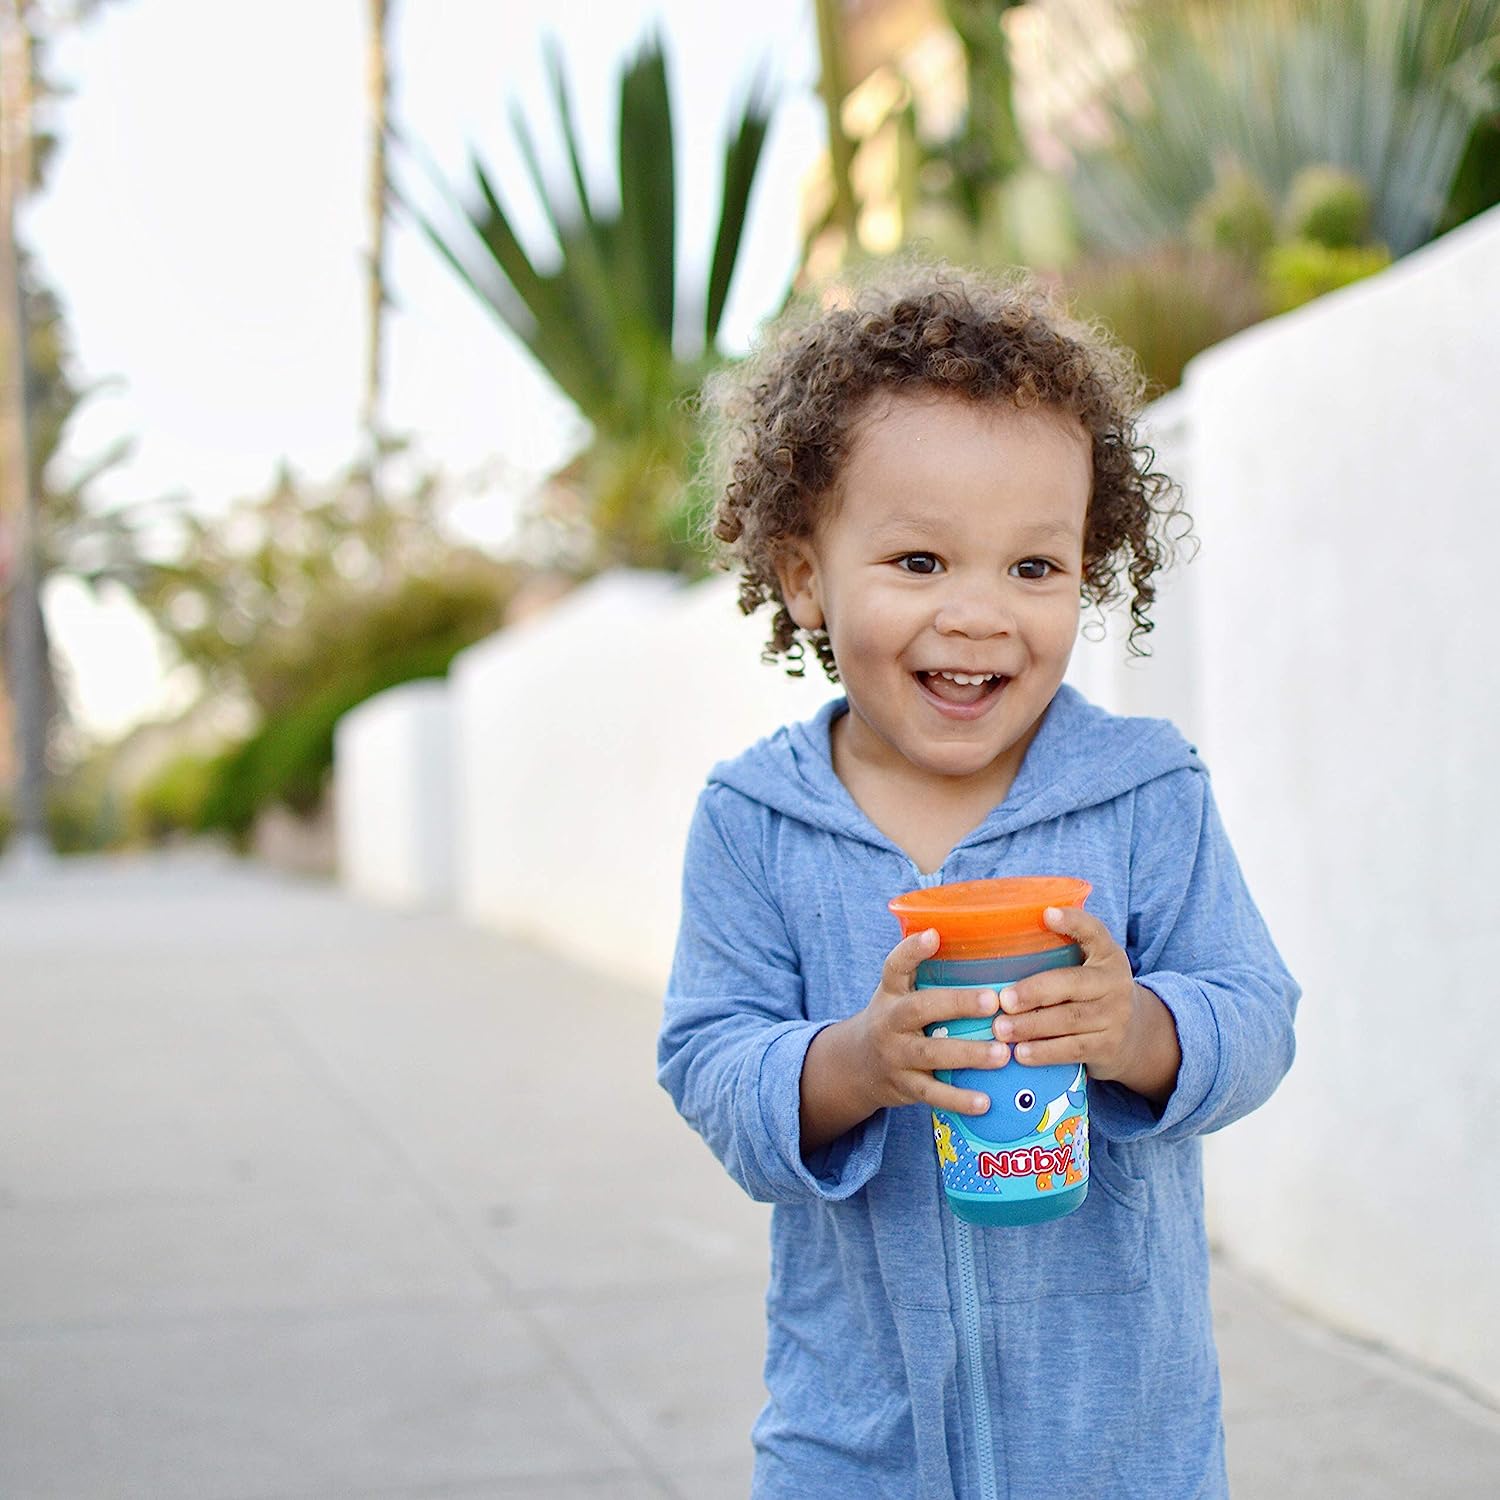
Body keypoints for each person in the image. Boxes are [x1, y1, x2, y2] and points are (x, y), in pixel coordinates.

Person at [657, 265, 1299, 1500]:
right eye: (916, 559)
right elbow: (708, 1056)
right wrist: (850, 1064)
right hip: (858, 1440)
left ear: (1087, 573)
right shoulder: (755, 822)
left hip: (1119, 1441)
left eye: (1033, 568)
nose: (979, 616)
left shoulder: (1142, 791)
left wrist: (1143, 1028)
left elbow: (1257, 1010)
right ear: (804, 576)